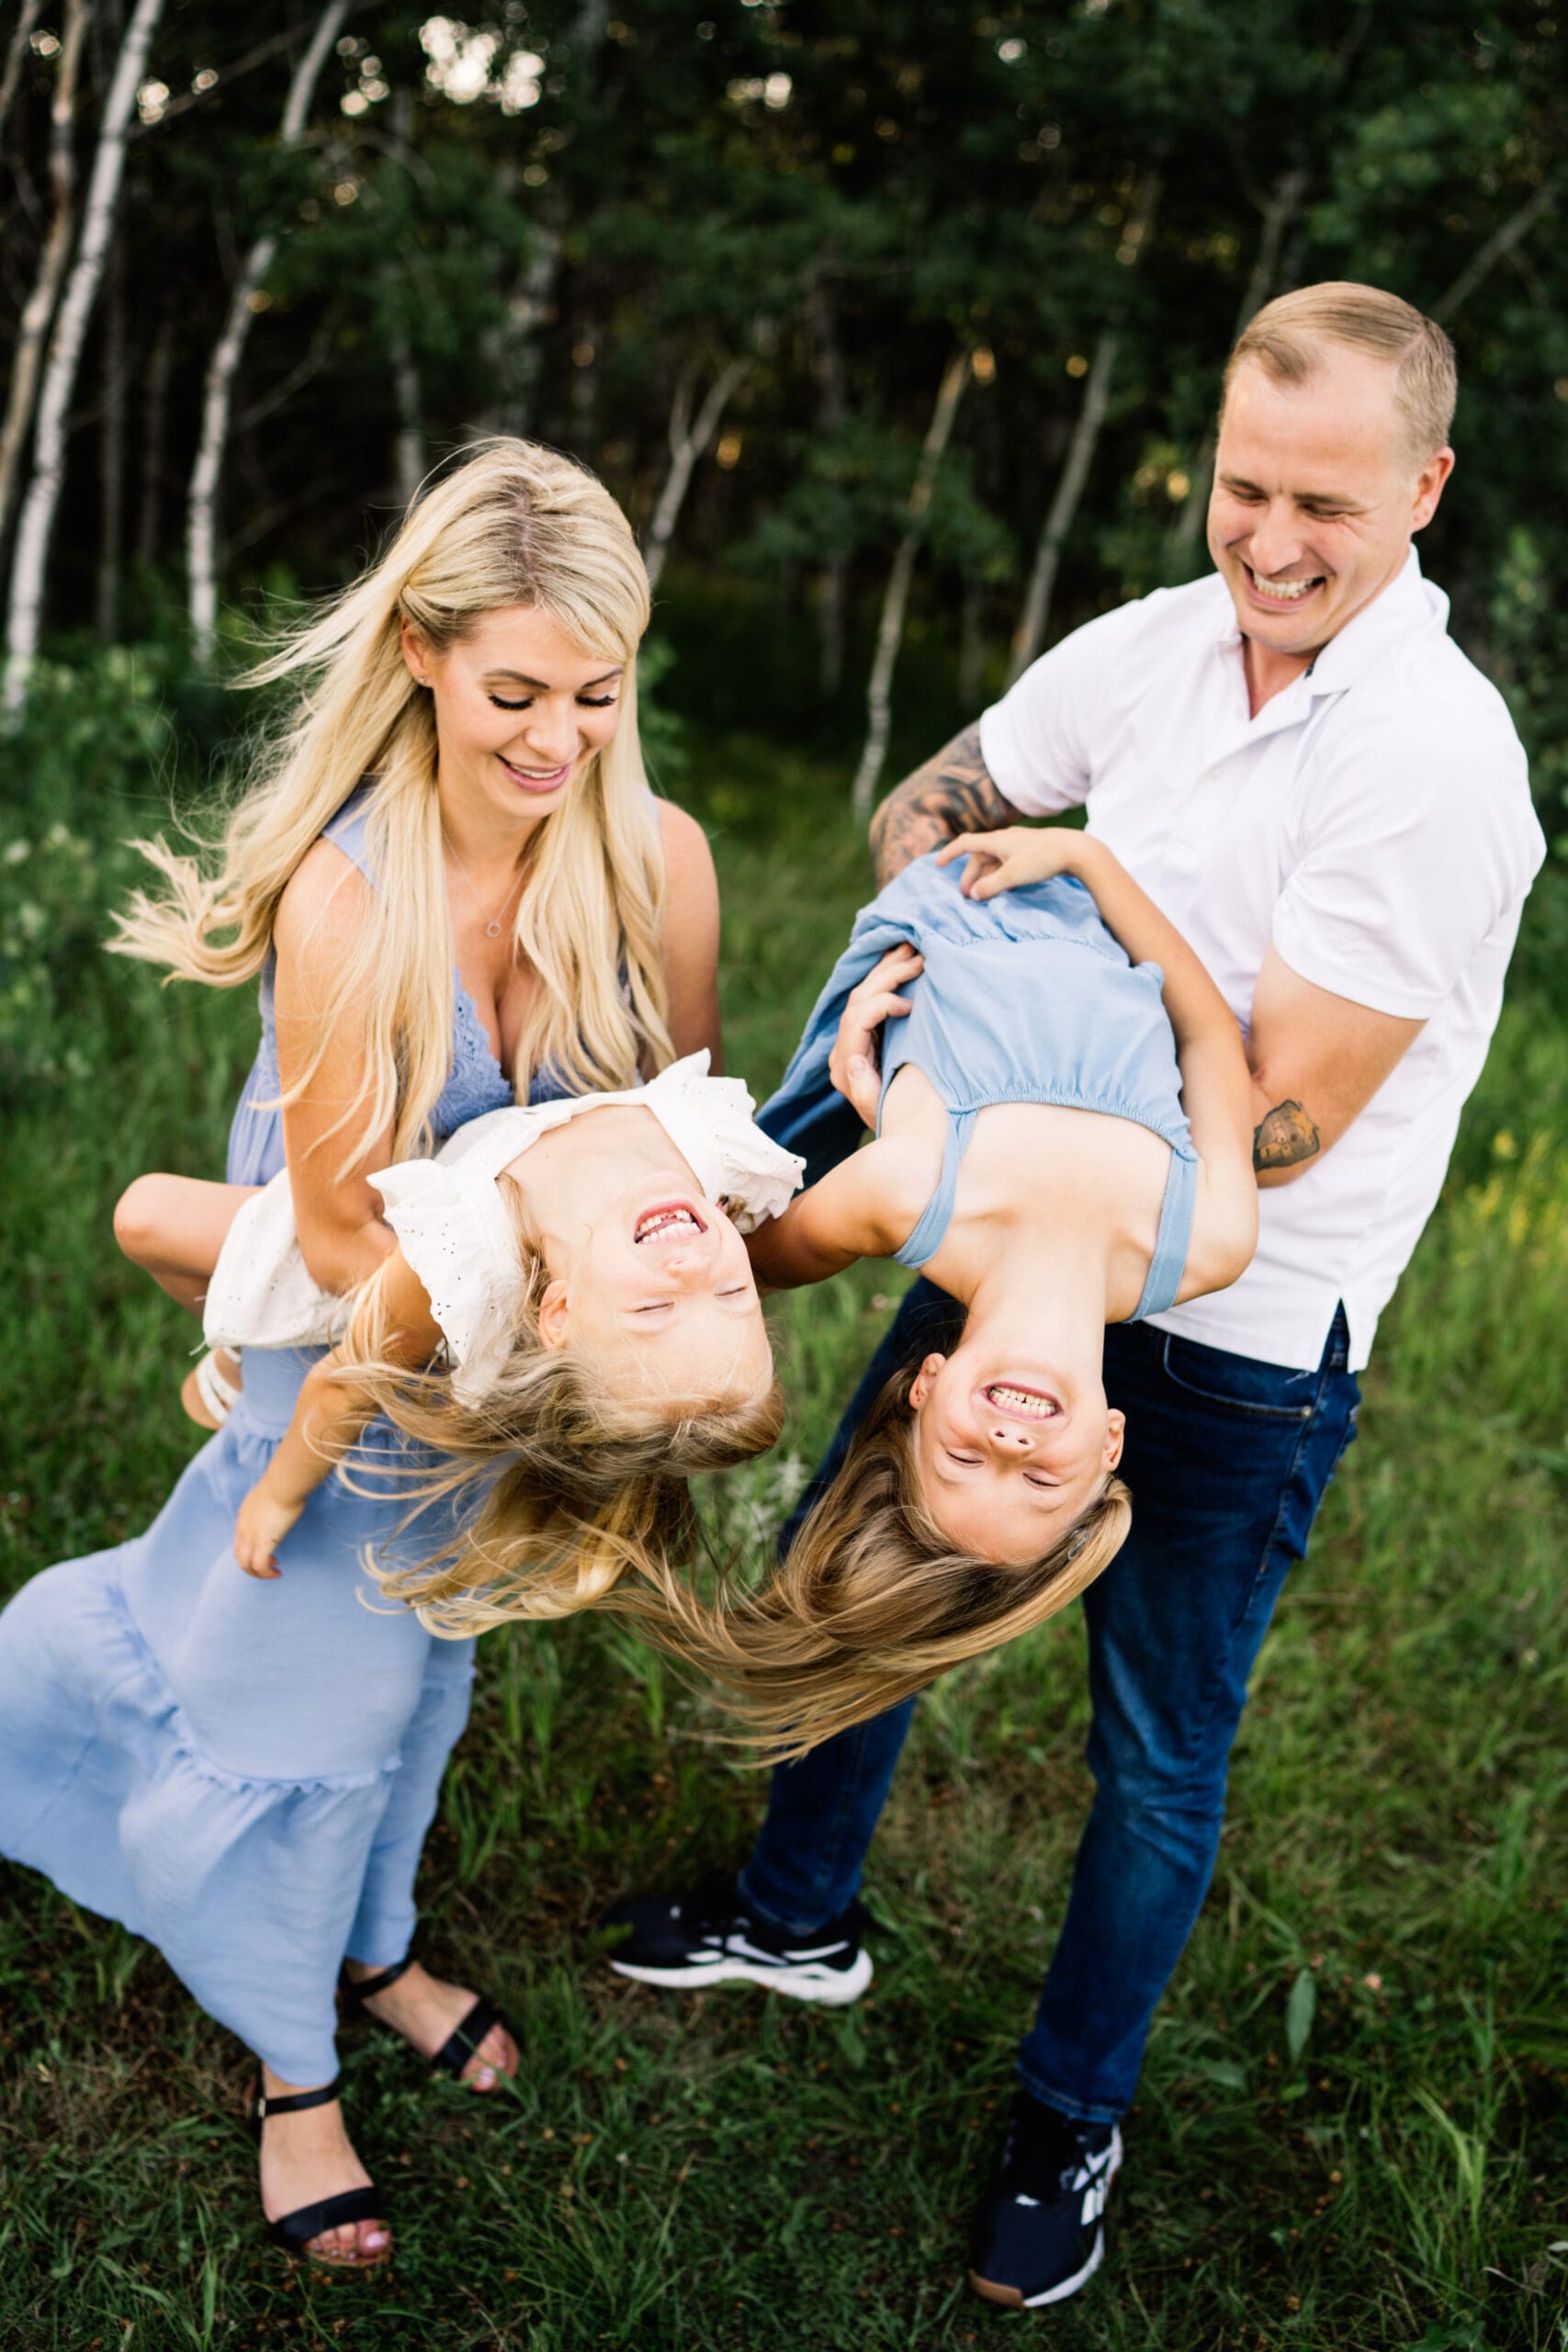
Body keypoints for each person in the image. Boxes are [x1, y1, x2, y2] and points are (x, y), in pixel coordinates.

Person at [601, 285, 1545, 2310]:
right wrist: (922, 916)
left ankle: (1068, 2107)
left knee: (1157, 1745)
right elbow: (942, 787)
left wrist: (1048, 962)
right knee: (871, 1567)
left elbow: (1268, 1127)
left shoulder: (1432, 760)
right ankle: (793, 1909)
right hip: (990, 1200)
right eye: (1239, 488)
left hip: (1225, 1325)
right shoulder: (1154, 643)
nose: (1270, 543)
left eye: (1323, 505)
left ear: (1424, 489)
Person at [0, 439, 728, 2271]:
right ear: (416, 650)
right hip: (357, 1358)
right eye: (511, 694)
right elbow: (336, 1248)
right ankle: (289, 2067)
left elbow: (693, 1145)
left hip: (523, 1389)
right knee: (293, 1722)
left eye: (593, 695)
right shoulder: (349, 893)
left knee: (425, 1697)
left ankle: (378, 1941)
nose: (555, 740)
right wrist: (541, 1230)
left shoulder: (657, 863)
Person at [663, 820, 1257, 1758]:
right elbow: (1211, 1033)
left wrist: (875, 1100)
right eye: (1040, 1478)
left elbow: (743, 1266)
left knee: (906, 813)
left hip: (952, 900)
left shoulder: (903, 1194)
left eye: (968, 1463)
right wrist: (1091, 864)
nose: (1011, 1444)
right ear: (1109, 1447)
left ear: (923, 1386)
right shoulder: (1210, 1240)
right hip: (1095, 891)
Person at [118, 1047, 799, 1602]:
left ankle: (239, 1359)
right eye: (733, 1291)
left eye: (655, 1309)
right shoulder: (716, 1151)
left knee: (145, 1217)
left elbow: (347, 1384)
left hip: (404, 1250)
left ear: (559, 1310)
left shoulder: (463, 1251)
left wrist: (277, 1495)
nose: (692, 1266)